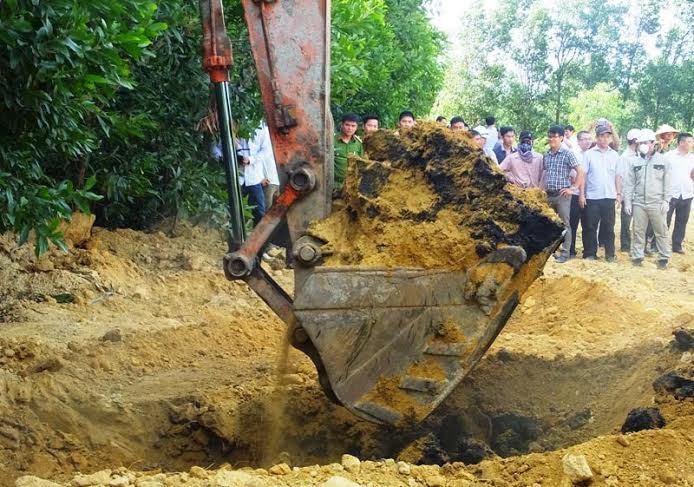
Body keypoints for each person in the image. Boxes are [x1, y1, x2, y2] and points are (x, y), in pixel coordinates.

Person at [624, 129, 671, 268]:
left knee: (661, 231)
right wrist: (628, 202)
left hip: (657, 202)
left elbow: (668, 182)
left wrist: (666, 200)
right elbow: (629, 183)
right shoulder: (635, 162)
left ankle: (663, 258)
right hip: (639, 202)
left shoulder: (663, 161)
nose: (643, 145)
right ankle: (637, 257)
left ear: (653, 143)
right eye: (641, 143)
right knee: (638, 231)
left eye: (646, 142)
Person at [580, 125, 622, 262]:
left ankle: (610, 254)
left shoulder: (615, 155)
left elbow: (618, 176)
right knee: (590, 226)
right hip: (592, 196)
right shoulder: (589, 154)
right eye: (602, 136)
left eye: (607, 136)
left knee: (609, 227)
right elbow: (583, 176)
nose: (605, 139)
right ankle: (590, 253)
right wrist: (582, 195)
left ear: (610, 138)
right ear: (597, 138)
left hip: (609, 196)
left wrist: (619, 194)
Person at [543, 125, 584, 263]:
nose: (551, 139)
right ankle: (551, 252)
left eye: (554, 136)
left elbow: (580, 171)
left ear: (561, 138)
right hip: (549, 195)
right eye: (550, 136)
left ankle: (565, 253)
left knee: (565, 224)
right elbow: (545, 173)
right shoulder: (546, 155)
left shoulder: (567, 154)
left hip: (562, 195)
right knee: (550, 224)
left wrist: (573, 188)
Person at [235, 124, 274, 225]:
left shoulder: (262, 129)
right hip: (235, 177)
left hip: (254, 178)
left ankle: (259, 235)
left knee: (259, 212)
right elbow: (217, 148)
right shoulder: (233, 123)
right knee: (232, 210)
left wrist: (251, 160)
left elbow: (266, 151)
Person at [667, 132, 694, 254]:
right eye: (689, 141)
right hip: (671, 193)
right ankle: (657, 244)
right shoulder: (669, 156)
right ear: (681, 142)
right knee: (664, 220)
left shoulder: (692, 158)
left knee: (682, 221)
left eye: (692, 142)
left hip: (687, 194)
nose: (691, 144)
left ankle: (677, 245)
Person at [568, 131, 592, 257]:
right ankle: (570, 250)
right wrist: (580, 193)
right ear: (578, 141)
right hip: (575, 194)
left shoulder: (593, 154)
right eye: (584, 139)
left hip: (591, 195)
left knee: (588, 224)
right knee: (572, 223)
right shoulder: (573, 155)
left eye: (589, 139)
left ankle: (588, 252)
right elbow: (576, 175)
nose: (587, 141)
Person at [617, 129, 641, 252]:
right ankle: (625, 246)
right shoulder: (625, 157)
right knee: (626, 222)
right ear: (634, 141)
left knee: (640, 223)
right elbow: (623, 178)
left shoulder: (641, 155)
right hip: (629, 195)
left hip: (640, 194)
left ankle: (638, 246)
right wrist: (624, 197)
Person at [334, 112, 364, 195]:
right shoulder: (332, 140)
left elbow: (361, 164)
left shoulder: (359, 144)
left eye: (353, 126)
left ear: (356, 127)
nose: (350, 128)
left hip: (351, 187)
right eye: (347, 125)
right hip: (333, 185)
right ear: (342, 125)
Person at [258, 124, 280, 212]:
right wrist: (260, 177)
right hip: (268, 182)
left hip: (280, 181)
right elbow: (257, 155)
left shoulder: (279, 133)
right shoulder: (263, 130)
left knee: (280, 213)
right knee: (267, 213)